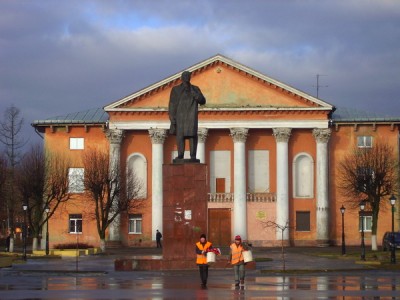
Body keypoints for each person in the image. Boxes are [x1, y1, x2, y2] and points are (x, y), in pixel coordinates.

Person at [168, 71, 206, 161]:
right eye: (185, 76)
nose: (186, 77)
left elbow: (202, 100)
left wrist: (195, 94)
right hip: (180, 116)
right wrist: (172, 118)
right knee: (180, 136)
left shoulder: (195, 89)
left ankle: (193, 156)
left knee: (192, 135)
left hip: (191, 115)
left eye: (188, 76)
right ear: (181, 78)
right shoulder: (176, 89)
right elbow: (172, 104)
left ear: (190, 77)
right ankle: (180, 155)